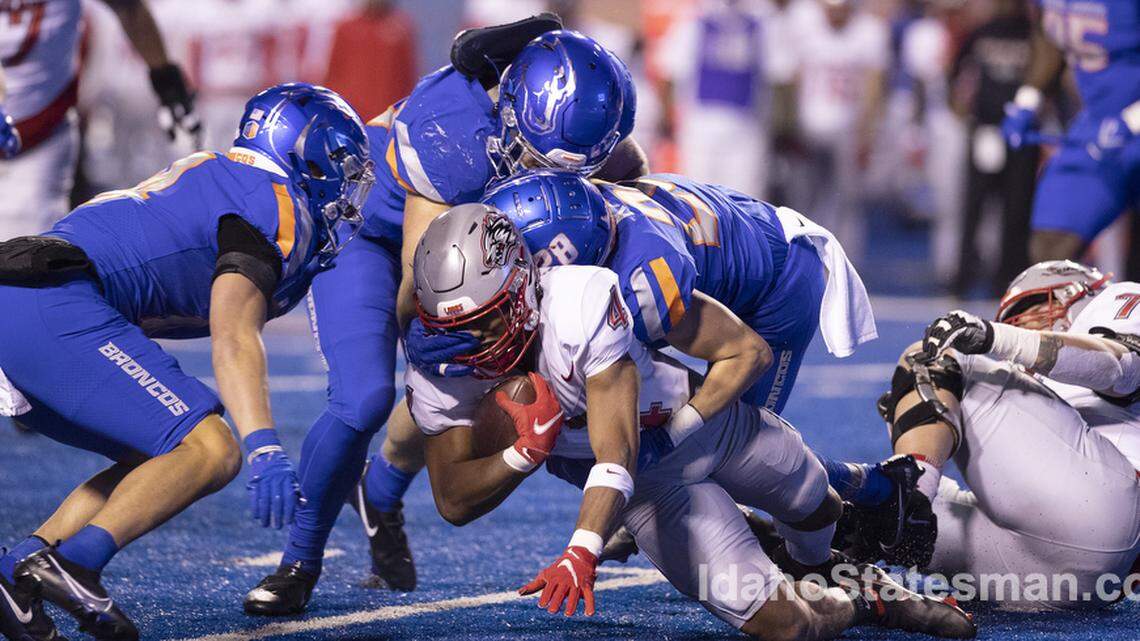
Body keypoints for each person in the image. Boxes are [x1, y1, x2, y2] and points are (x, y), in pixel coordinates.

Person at [403, 203, 977, 640]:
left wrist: (581, 548)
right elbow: (452, 500)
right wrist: (520, 454)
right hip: (651, 493)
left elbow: (617, 451)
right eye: (456, 327)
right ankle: (864, 601)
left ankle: (830, 567)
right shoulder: (440, 362)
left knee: (817, 504)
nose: (472, 344)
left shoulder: (581, 299)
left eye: (486, 320)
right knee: (786, 626)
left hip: (698, 426)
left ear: (524, 286)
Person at [244, 24, 648, 614]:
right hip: (374, 239)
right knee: (368, 396)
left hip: (464, 248)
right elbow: (423, 286)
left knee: (509, 353)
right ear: (514, 113)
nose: (553, 174)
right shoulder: (452, 131)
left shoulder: (562, 116)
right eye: (541, 158)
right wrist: (444, 343)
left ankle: (378, 491)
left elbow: (629, 175)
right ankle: (299, 562)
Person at [0, 83, 372, 641]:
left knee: (156, 455)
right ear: (302, 150)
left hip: (28, 297)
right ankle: (74, 564)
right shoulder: (273, 202)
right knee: (211, 449)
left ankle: (20, 570)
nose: (344, 186)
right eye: (337, 163)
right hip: (48, 300)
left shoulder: (225, 175)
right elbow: (232, 331)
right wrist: (264, 445)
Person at [835, 261, 1140, 609]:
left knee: (929, 358)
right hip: (1083, 583)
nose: (1022, 324)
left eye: (1031, 309)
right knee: (865, 519)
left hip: (1111, 503)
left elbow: (1120, 366)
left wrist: (999, 337)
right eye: (1012, 322)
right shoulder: (1045, 413)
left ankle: (911, 487)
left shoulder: (1120, 299)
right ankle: (804, 556)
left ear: (1077, 294)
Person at [0, 0, 200, 239]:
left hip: (41, 132)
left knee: (23, 249)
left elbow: (128, 8)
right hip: (34, 118)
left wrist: (164, 76)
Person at [1002, 0, 1140, 264]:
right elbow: (1050, 40)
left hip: (1127, 122)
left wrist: (1132, 121)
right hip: (1096, 126)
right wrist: (1028, 100)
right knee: (1052, 246)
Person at [948, 0, 1038, 295]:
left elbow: (1052, 78)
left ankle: (1008, 280)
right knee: (973, 208)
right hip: (986, 129)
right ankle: (964, 277)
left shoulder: (1034, 36)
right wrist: (960, 108)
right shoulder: (983, 31)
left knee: (1017, 209)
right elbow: (955, 70)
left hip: (1022, 135)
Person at [322, 0, 417, 119]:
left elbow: (407, 79)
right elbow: (333, 76)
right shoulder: (346, 28)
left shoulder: (400, 29)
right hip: (350, 116)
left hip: (385, 118)